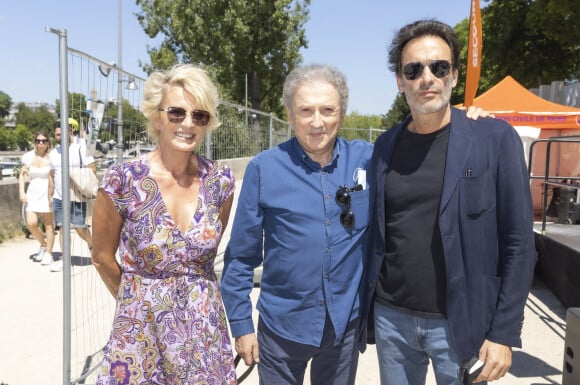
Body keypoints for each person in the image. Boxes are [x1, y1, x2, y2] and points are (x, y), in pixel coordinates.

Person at [363, 19, 537, 385]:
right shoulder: (384, 148)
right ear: (400, 82)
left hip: (463, 323)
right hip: (392, 320)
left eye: (438, 67)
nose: (427, 78)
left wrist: (503, 332)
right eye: (414, 70)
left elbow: (520, 244)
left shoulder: (494, 138)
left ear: (454, 76)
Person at [221, 64, 372, 385]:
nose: (317, 122)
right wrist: (242, 325)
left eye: (327, 110)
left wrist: (470, 123)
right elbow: (240, 257)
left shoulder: (367, 159)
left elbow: (421, 143)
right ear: (290, 115)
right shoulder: (263, 170)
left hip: (344, 326)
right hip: (282, 330)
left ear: (341, 114)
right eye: (306, 111)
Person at [91, 63, 237, 384]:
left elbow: (205, 257)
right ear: (157, 116)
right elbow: (101, 257)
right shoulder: (123, 181)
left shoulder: (221, 182)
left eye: (199, 116)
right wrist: (138, 302)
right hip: (142, 333)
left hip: (204, 333)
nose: (188, 123)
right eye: (176, 113)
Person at [48, 120, 95, 272]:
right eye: (57, 135)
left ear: (70, 131)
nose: (59, 136)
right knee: (62, 228)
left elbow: (92, 169)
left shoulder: (81, 148)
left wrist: (75, 176)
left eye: (62, 133)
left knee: (80, 227)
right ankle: (65, 259)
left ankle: (92, 245)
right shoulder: (53, 153)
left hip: (76, 195)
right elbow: (51, 175)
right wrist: (50, 195)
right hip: (59, 196)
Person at [19, 131, 55, 265]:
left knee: (48, 225)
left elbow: (54, 178)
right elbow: (22, 175)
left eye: (44, 140)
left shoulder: (52, 157)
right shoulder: (28, 156)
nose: (41, 143)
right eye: (38, 140)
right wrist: (22, 193)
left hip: (47, 193)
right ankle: (43, 244)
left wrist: (52, 195)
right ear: (34, 142)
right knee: (31, 223)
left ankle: (49, 253)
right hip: (33, 192)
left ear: (48, 143)